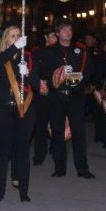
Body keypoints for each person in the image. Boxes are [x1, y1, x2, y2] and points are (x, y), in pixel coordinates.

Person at [0, 26, 39, 202]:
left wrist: (28, 73)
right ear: (6, 40)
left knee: (22, 151)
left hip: (24, 108)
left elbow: (37, 84)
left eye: (19, 35)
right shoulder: (0, 56)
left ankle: (23, 192)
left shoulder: (29, 58)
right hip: (3, 108)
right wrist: (15, 48)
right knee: (3, 151)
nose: (16, 38)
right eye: (12, 36)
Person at [41, 19, 95, 179]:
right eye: (64, 30)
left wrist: (79, 80)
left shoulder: (80, 50)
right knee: (57, 133)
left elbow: (89, 69)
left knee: (79, 133)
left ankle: (82, 169)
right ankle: (60, 168)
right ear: (57, 33)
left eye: (69, 29)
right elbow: (44, 72)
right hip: (57, 97)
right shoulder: (50, 51)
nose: (68, 32)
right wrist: (58, 75)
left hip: (76, 97)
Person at [31, 28, 57, 165]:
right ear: (46, 36)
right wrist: (38, 84)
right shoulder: (37, 52)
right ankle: (39, 156)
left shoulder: (60, 51)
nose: (55, 37)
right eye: (53, 34)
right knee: (40, 125)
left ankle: (55, 150)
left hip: (56, 91)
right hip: (41, 91)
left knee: (56, 123)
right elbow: (33, 70)